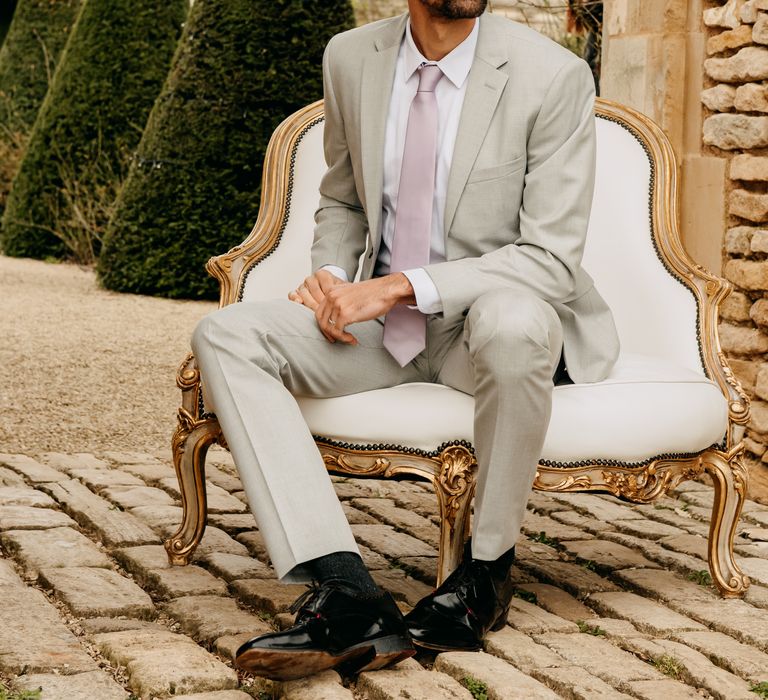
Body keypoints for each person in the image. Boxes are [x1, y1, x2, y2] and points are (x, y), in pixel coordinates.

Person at [192, 0, 619, 681]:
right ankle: (347, 591)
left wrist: (395, 287)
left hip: (486, 324)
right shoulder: (349, 58)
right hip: (381, 329)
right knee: (224, 335)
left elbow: (551, 260)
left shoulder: (552, 75)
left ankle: (484, 574)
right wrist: (332, 276)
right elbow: (343, 199)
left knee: (515, 321)